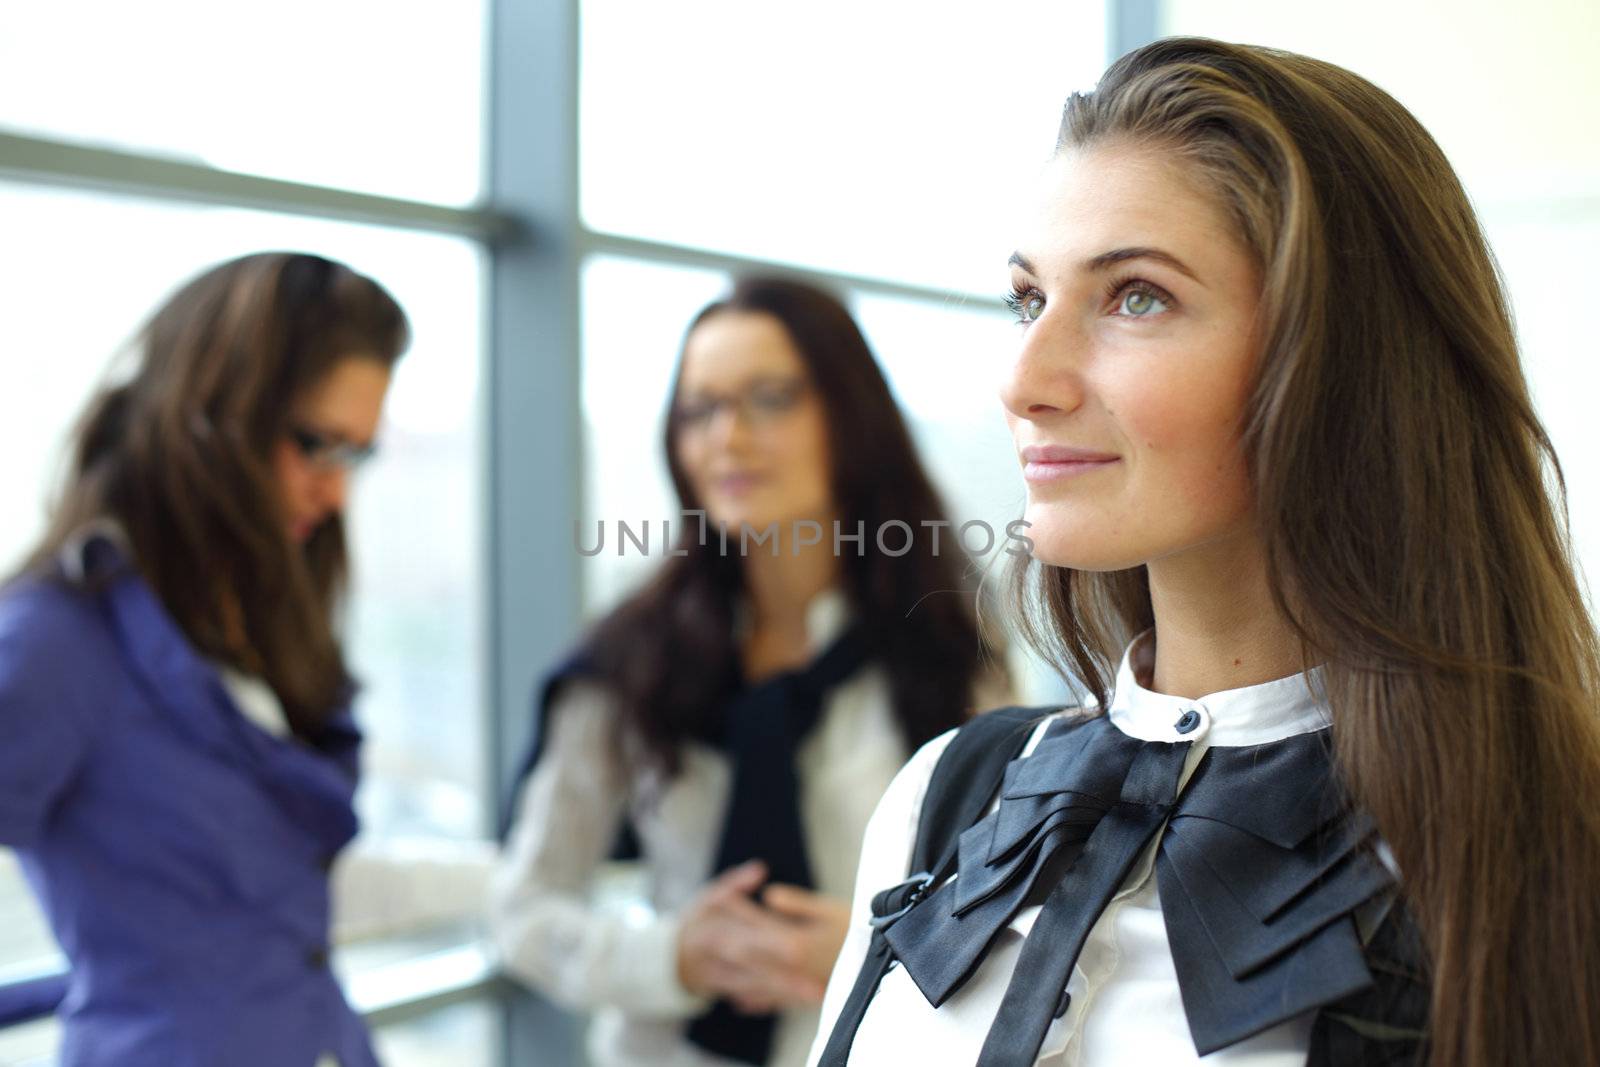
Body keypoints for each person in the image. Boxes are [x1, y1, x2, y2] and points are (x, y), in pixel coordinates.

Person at [810, 37, 1600, 1067]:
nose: (1023, 376)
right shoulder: (944, 796)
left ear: (1340, 362)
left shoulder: (1536, 866)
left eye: (1136, 296)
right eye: (1027, 299)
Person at [490, 276, 1007, 1067]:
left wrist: (876, 941)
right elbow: (521, 910)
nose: (727, 436)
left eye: (769, 399)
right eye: (699, 409)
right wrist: (673, 956)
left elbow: (1006, 890)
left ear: (848, 414)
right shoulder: (628, 660)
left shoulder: (943, 638)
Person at [0, 252, 409, 1067]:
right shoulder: (57, 639)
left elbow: (280, 894)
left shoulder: (249, 621)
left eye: (355, 455)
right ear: (210, 413)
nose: (335, 494)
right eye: (316, 445)